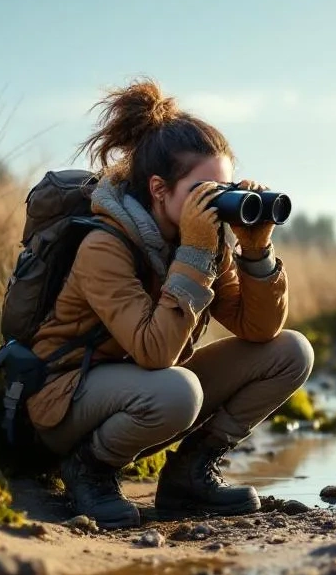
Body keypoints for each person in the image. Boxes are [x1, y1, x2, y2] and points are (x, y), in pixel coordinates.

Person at [24, 78, 314, 529]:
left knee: (292, 351)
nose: (218, 205)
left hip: (146, 390)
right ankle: (90, 470)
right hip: (65, 402)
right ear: (159, 189)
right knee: (179, 390)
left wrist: (255, 252)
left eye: (226, 188)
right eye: (204, 192)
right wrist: (195, 254)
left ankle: (189, 475)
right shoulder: (105, 245)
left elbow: (259, 331)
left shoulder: (203, 240)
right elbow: (155, 352)